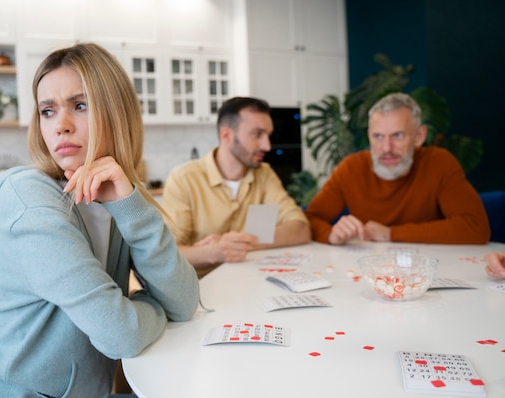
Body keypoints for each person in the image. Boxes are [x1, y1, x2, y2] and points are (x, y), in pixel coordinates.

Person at [0, 43, 199, 398]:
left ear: (117, 112)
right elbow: (119, 335)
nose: (61, 125)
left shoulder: (117, 194)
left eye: (80, 105)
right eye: (48, 110)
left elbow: (185, 303)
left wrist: (131, 205)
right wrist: (150, 305)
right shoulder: (28, 197)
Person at [305, 92, 490, 246]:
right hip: (367, 270)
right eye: (378, 136)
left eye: (398, 136)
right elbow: (309, 220)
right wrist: (331, 235)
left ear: (419, 136)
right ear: (369, 136)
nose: (386, 148)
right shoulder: (350, 168)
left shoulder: (439, 163)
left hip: (428, 269)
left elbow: (476, 228)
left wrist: (390, 233)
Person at [161, 97, 311, 278]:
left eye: (268, 135)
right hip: (199, 291)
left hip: (250, 281)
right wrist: (214, 251)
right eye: (257, 134)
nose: (267, 146)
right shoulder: (183, 179)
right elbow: (166, 255)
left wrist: (237, 243)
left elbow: (301, 229)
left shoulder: (264, 174)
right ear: (227, 135)